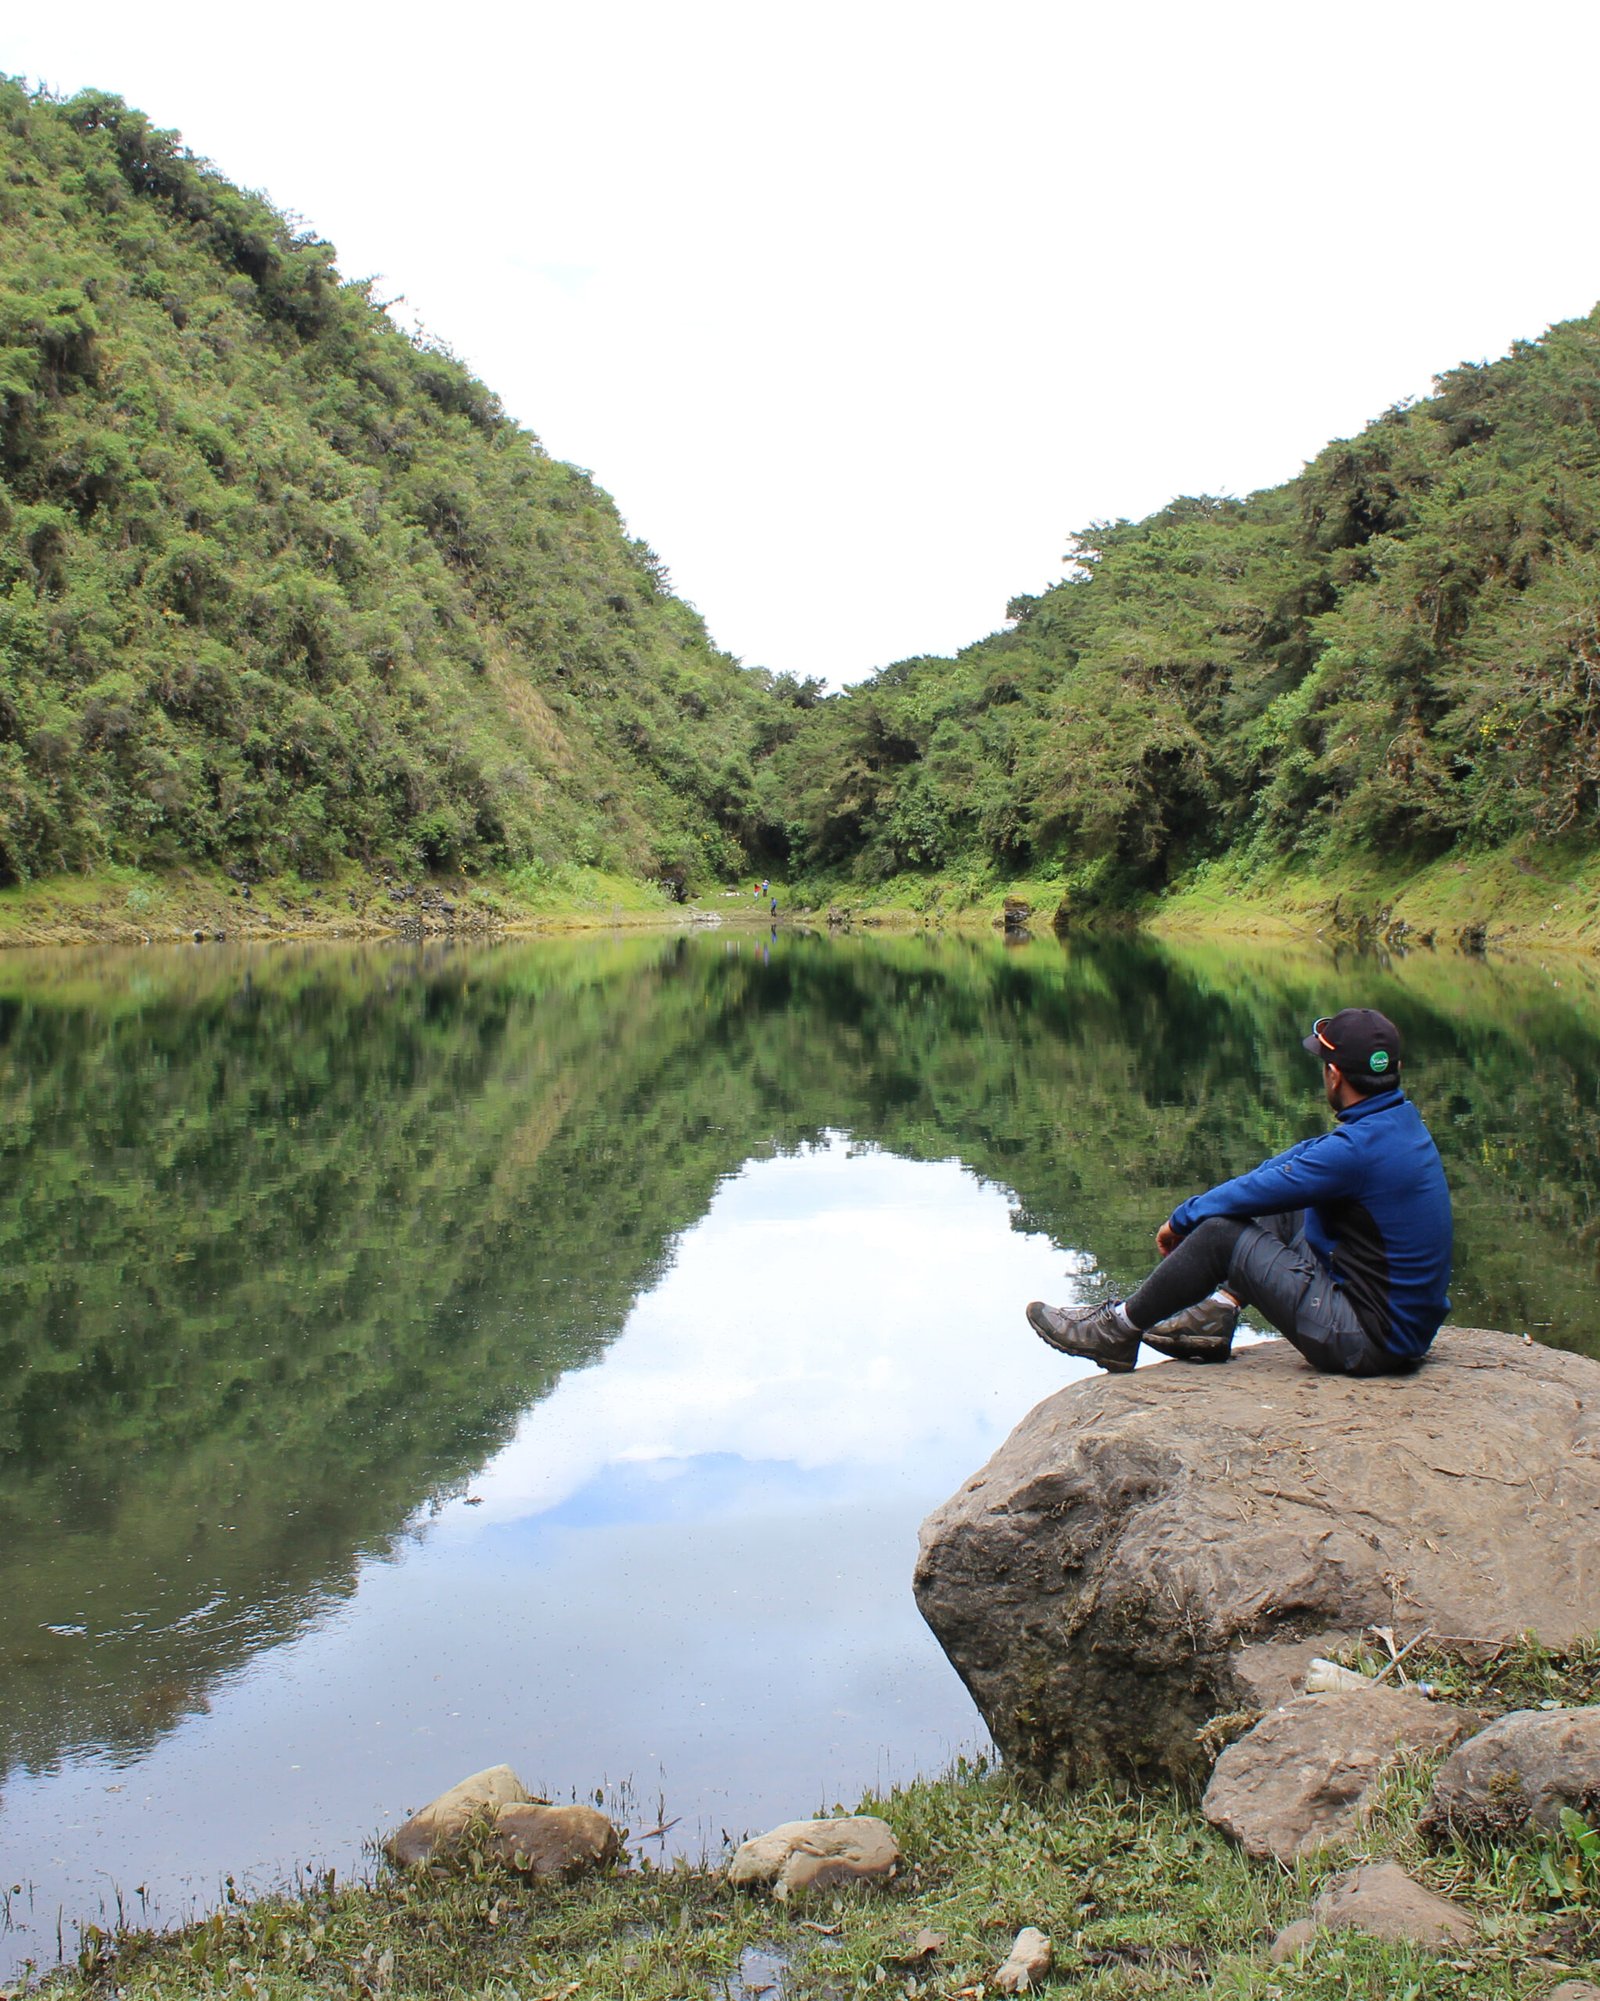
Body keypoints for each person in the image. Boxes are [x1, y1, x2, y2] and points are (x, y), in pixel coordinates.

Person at [1025, 1008, 1452, 1378]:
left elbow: (1281, 1179)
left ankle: (1116, 1330)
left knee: (1221, 1235)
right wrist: (1199, 1211)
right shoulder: (1396, 1124)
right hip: (1397, 1330)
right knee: (1284, 1204)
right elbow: (1284, 1172)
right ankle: (1216, 1314)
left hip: (1367, 1341)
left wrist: (1184, 1218)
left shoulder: (1354, 1152)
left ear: (1334, 1074)